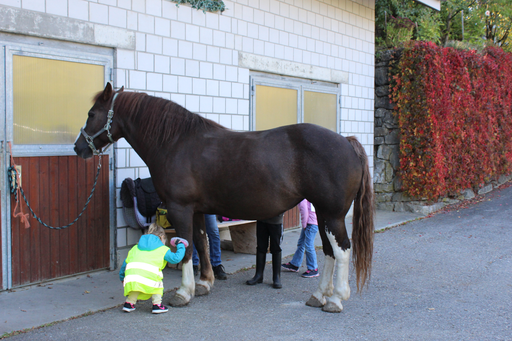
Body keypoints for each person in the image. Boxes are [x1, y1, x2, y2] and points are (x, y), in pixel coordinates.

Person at [119, 223, 188, 314]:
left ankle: (129, 303)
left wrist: (122, 277)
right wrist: (180, 245)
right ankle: (157, 305)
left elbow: (125, 264)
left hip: (131, 278)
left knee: (136, 283)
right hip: (150, 278)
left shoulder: (135, 248)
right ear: (162, 237)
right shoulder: (163, 249)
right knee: (157, 283)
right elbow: (176, 258)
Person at [282, 199, 319, 278]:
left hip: (310, 223)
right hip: (312, 222)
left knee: (308, 245)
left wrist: (304, 225)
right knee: (301, 243)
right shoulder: (309, 195)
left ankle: (313, 269)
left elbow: (304, 211)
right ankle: (295, 264)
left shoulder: (302, 198)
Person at [246, 213, 284, 289]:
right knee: (261, 247)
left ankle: (276, 277)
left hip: (276, 220)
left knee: (276, 248)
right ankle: (258, 275)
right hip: (261, 219)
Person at [192, 214, 227, 280]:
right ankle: (193, 265)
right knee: (192, 232)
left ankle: (216, 265)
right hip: (192, 206)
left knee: (213, 231)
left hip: (207, 206)